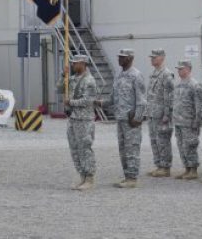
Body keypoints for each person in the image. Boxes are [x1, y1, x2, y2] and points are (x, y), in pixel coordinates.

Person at [96, 48, 146, 188]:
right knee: (123, 149)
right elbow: (113, 98)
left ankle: (132, 178)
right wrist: (100, 102)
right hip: (120, 118)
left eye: (122, 57)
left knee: (132, 149)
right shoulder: (119, 75)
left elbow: (142, 100)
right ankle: (127, 176)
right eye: (119, 57)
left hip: (131, 120)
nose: (119, 59)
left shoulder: (136, 75)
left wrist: (137, 118)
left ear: (130, 58)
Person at [62, 54, 98, 191]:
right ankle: (82, 176)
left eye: (75, 63)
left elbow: (87, 101)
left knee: (85, 148)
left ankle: (89, 178)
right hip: (73, 119)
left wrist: (70, 102)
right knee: (75, 149)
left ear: (83, 64)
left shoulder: (89, 81)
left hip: (84, 120)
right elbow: (59, 88)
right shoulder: (72, 79)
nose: (73, 65)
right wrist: (62, 75)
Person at [145, 49, 175, 178]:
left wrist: (167, 114)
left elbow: (169, 96)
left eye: (155, 57)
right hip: (152, 113)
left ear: (162, 58)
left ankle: (165, 167)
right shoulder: (154, 73)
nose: (152, 59)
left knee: (163, 141)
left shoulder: (167, 74)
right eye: (152, 57)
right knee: (154, 140)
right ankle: (159, 165)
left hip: (161, 114)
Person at [172, 60, 202, 180]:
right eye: (178, 69)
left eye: (181, 69)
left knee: (190, 145)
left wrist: (197, 121)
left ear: (188, 69)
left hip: (189, 122)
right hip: (179, 121)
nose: (179, 71)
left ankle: (193, 169)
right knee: (181, 146)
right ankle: (187, 168)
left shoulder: (194, 85)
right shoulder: (179, 84)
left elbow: (198, 105)